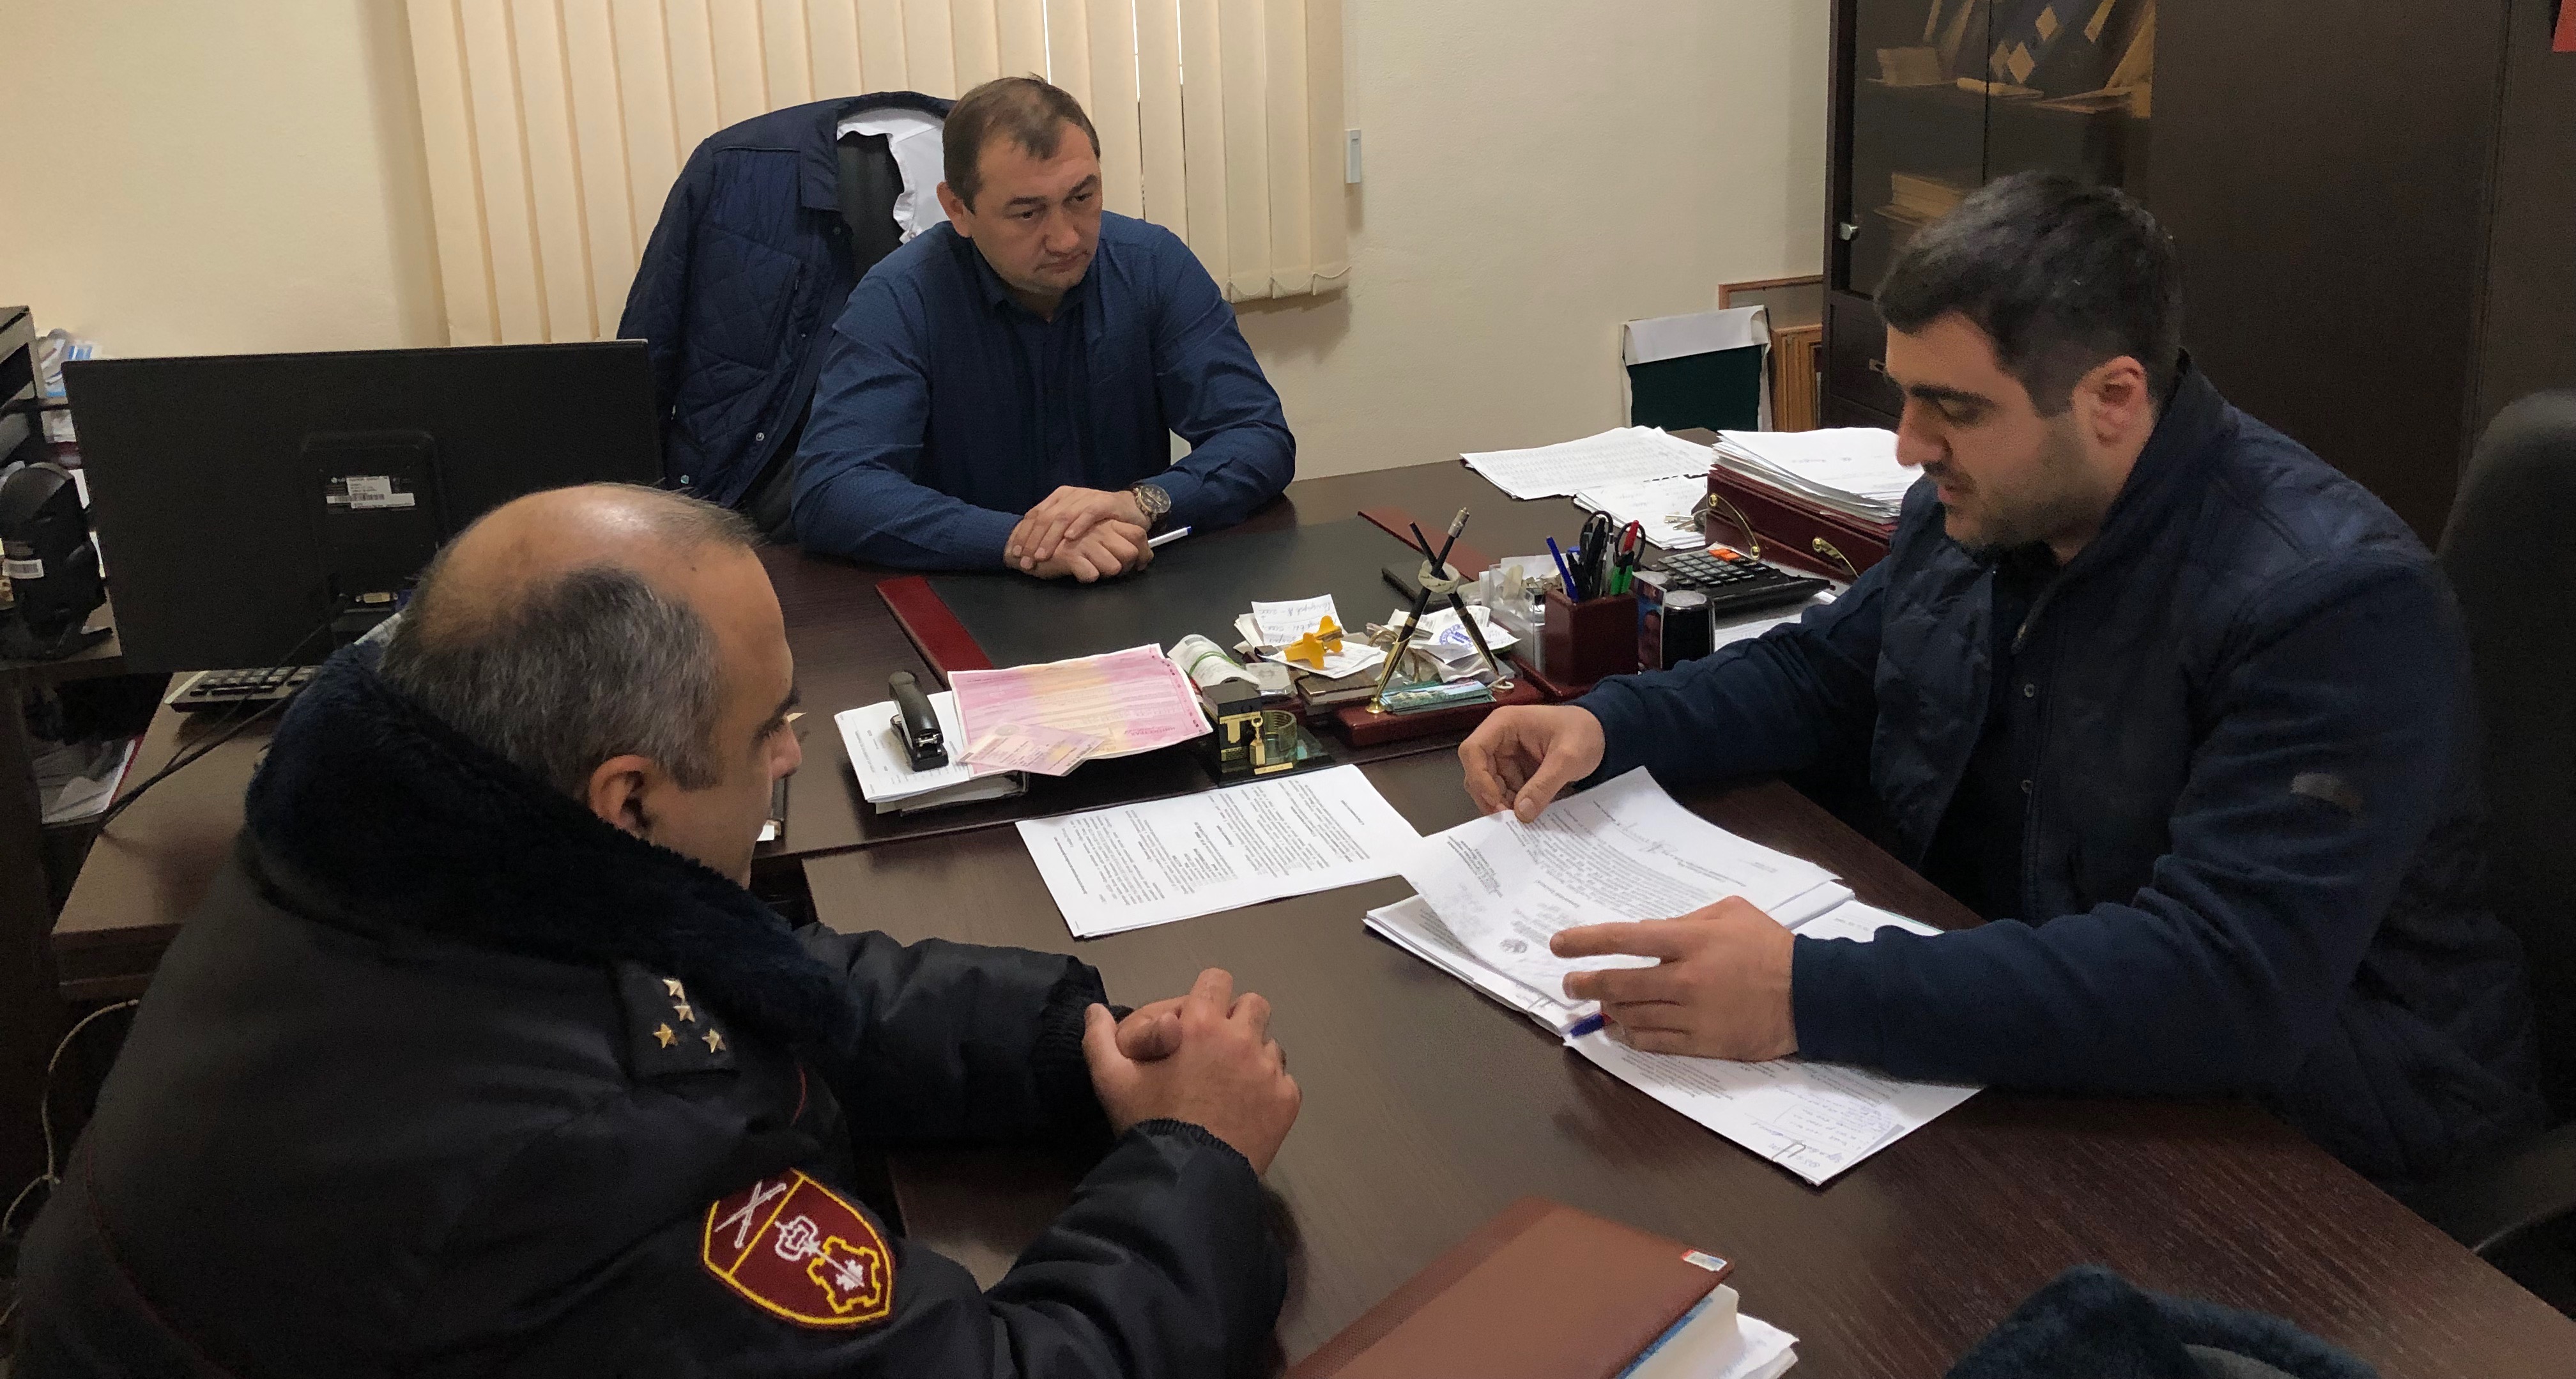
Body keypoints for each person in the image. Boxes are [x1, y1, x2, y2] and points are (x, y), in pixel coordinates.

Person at [14, 486, 1300, 1377]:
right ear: (627, 798)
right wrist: (1194, 1158)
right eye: (770, 726)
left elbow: (734, 980)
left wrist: (1061, 1037)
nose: (791, 751)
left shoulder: (395, 844)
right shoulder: (587, 1160)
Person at [1458, 173, 2544, 1189]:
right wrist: (1609, 725)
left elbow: (2225, 979)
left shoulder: (2329, 602)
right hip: (2041, 1042)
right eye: (1905, 398)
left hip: (2318, 1141)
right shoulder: (1982, 508)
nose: (1908, 446)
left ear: (2112, 397)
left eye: (1956, 408)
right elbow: (1822, 676)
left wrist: (1804, 993)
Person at [792, 75, 1295, 574]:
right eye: (1028, 213)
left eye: (1081, 198)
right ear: (958, 210)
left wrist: (1141, 503)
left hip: (1128, 577)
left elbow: (1257, 434)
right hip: (970, 590)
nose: (1066, 239)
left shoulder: (1152, 265)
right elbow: (832, 489)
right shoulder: (900, 297)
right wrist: (1019, 542)